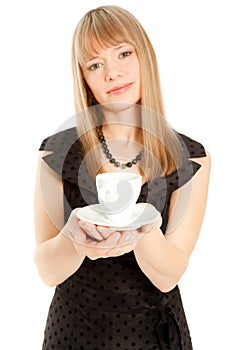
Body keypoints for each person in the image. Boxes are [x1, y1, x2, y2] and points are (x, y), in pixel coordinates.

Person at [34, 5, 211, 350]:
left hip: (152, 335)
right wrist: (73, 238)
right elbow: (47, 271)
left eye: (124, 53)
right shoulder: (56, 153)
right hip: (73, 333)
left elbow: (168, 275)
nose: (113, 73)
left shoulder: (190, 157)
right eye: (95, 64)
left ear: (144, 56)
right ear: (84, 78)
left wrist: (140, 226)